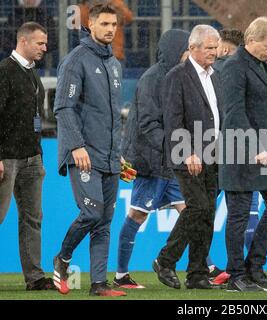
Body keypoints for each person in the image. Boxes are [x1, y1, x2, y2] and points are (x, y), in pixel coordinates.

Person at [52, 3, 126, 297]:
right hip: (83, 154)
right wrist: (76, 146)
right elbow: (63, 107)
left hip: (108, 156)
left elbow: (110, 116)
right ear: (90, 25)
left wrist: (117, 152)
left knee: (104, 222)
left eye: (114, 25)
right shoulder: (75, 60)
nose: (110, 29)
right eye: (104, 24)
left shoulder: (115, 64)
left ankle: (98, 284)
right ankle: (63, 258)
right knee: (92, 214)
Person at [113, 29, 192, 289]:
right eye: (186, 50)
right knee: (137, 215)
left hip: (169, 160)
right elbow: (147, 124)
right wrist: (176, 147)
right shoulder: (151, 79)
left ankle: (206, 267)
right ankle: (121, 275)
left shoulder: (179, 76)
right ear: (175, 51)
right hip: (150, 160)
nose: (189, 55)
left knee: (191, 213)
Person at [219, 17, 267, 292]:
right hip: (241, 148)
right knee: (238, 214)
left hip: (266, 150)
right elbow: (234, 112)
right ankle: (236, 274)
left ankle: (254, 267)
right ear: (251, 41)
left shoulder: (261, 64)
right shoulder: (234, 67)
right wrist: (256, 147)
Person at [156, 24, 223, 290]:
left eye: (216, 48)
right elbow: (172, 119)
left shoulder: (214, 77)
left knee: (207, 213)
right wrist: (188, 153)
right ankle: (165, 260)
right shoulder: (177, 76)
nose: (214, 53)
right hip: (190, 156)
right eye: (209, 48)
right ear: (192, 48)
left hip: (213, 155)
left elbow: (218, 116)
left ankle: (197, 274)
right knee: (197, 207)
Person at [0, 22, 55, 291]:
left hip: (32, 157)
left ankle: (34, 278)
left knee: (33, 219)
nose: (45, 48)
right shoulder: (4, 71)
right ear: (23, 41)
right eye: (39, 43)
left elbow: (33, 118)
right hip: (7, 158)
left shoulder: (32, 73)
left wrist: (39, 154)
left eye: (45, 43)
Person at [214, 28, 261, 254]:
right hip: (243, 146)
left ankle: (204, 266)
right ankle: (250, 268)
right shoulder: (247, 72)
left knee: (203, 211)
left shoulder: (210, 73)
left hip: (211, 149)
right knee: (247, 210)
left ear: (223, 48)